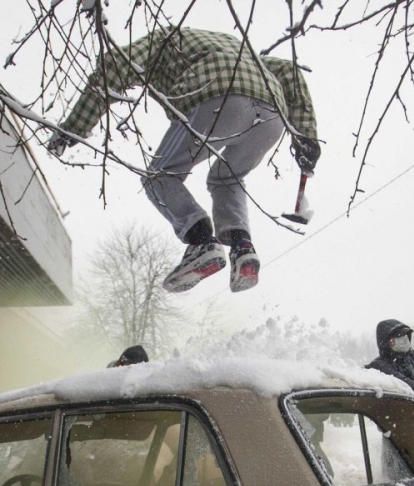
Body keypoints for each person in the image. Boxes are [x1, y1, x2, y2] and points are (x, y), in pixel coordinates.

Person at [47, 26, 320, 294]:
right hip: (272, 114)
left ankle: (202, 242)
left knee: (160, 175)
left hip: (218, 96)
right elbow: (289, 71)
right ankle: (242, 248)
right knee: (228, 178)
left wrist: (73, 129)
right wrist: (306, 137)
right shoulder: (236, 47)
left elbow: (115, 65)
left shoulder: (163, 39)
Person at [366, 320, 414, 402]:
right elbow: (410, 389)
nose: (405, 339)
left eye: (406, 335)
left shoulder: (413, 356)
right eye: (399, 336)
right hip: (403, 411)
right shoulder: (378, 366)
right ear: (386, 342)